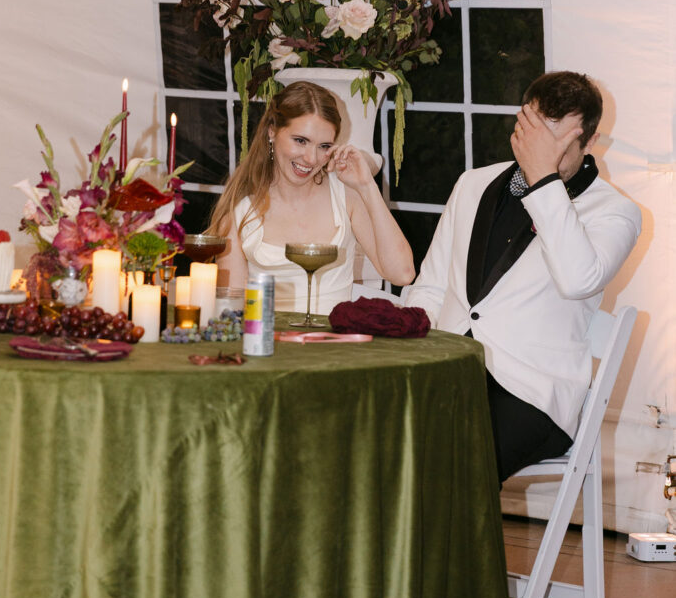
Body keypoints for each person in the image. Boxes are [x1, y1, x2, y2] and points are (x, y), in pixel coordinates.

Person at [405, 71, 641, 482]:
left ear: (589, 142)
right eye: (534, 138)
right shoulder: (472, 184)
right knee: (371, 437)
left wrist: (542, 180)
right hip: (446, 370)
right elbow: (431, 286)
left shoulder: (615, 212)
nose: (540, 153)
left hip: (531, 393)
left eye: (556, 145)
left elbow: (577, 280)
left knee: (450, 463)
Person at [208, 80, 415, 311]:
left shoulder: (345, 196)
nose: (311, 158)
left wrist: (366, 185)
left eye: (324, 146)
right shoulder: (239, 213)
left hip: (336, 333)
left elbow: (402, 274)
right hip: (268, 333)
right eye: (300, 141)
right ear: (272, 131)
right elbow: (232, 311)